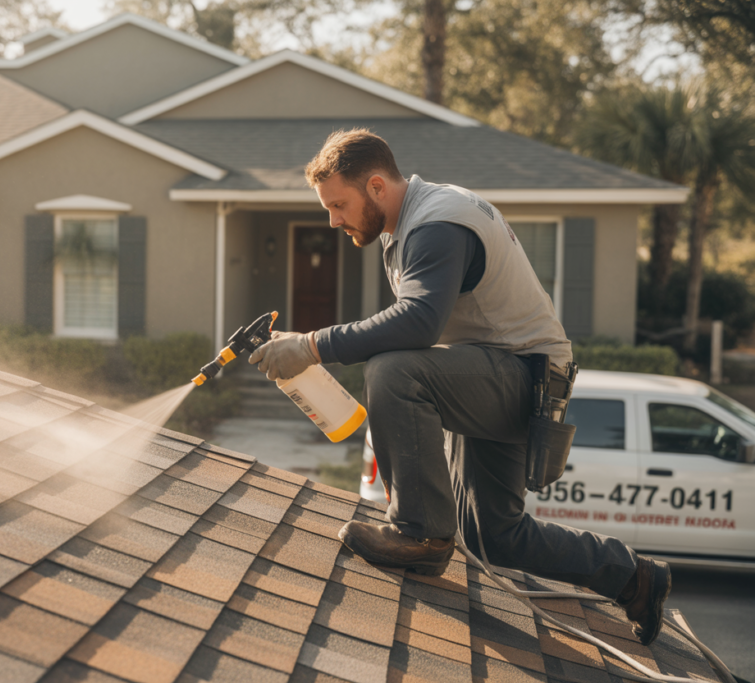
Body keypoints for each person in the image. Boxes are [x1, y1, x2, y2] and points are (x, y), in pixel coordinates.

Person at [249, 128, 671, 645]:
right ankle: (634, 577)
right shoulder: (409, 224)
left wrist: (313, 345)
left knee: (392, 371)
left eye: (339, 205)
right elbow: (416, 325)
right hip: (492, 370)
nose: (332, 220)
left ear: (377, 186)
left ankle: (419, 531)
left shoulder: (437, 223)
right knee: (495, 537)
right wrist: (309, 343)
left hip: (523, 375)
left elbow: (418, 325)